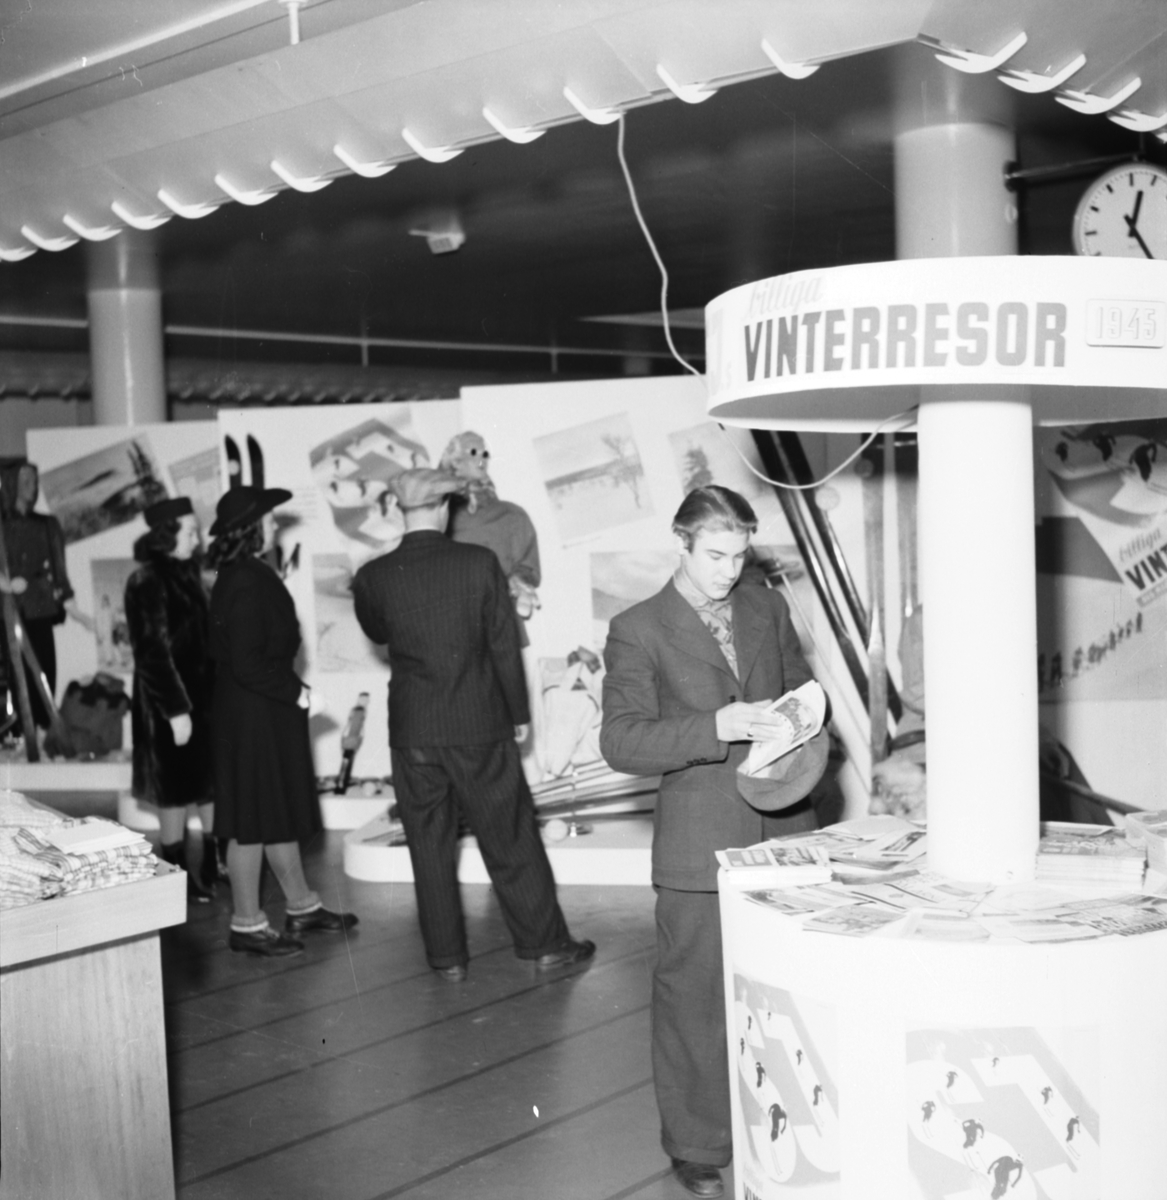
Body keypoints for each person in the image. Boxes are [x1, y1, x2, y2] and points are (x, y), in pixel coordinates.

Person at [599, 485, 822, 1199]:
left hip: (783, 827)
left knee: (787, 990)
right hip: (699, 843)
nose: (729, 571)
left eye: (739, 555)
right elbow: (621, 741)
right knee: (692, 1000)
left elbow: (800, 694)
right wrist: (714, 728)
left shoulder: (766, 608)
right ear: (681, 543)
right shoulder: (638, 628)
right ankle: (696, 1145)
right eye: (715, 556)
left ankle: (790, 1121)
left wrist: (801, 725)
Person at [351, 468, 593, 982]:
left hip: (413, 731)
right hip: (479, 724)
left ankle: (447, 960)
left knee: (428, 847)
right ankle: (544, 945)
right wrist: (518, 715)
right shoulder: (478, 563)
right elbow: (503, 644)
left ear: (400, 509)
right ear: (444, 508)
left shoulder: (373, 575)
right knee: (509, 837)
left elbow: (377, 631)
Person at [207, 485, 357, 958]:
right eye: (267, 517)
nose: (274, 523)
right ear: (251, 528)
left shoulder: (242, 573)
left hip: (258, 710)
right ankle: (246, 924)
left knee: (271, 813)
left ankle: (301, 905)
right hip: (254, 713)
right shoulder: (246, 579)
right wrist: (299, 693)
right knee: (250, 822)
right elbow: (248, 662)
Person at [124, 496, 219, 903]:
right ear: (168, 535)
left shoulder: (190, 575)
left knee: (208, 782)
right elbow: (151, 652)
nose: (198, 540)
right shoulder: (146, 581)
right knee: (175, 788)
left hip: (202, 698)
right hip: (168, 704)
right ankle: (176, 869)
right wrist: (177, 710)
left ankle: (213, 860)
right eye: (191, 532)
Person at [0, 458, 92, 730]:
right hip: (8, 610)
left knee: (44, 669)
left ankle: (42, 729)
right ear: (12, 484)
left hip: (40, 607)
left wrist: (75, 611)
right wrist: (6, 585)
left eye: (35, 480)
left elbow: (59, 570)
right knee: (14, 673)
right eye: (26, 481)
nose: (33, 486)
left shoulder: (48, 524)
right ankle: (18, 731)